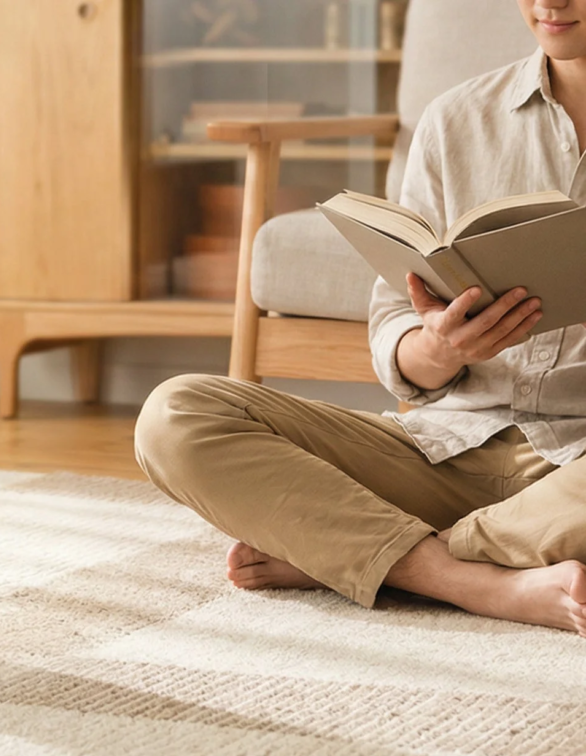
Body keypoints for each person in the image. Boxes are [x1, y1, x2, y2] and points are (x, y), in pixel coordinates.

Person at [134, 0, 586, 637]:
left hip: (576, 472)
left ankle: (353, 550)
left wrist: (328, 534)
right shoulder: (457, 120)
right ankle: (471, 580)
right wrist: (439, 348)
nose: (550, 2)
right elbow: (396, 317)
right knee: (174, 416)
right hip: (444, 451)